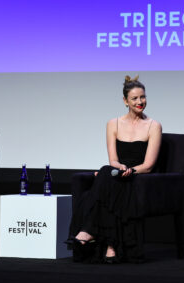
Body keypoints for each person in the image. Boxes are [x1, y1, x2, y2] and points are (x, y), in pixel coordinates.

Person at [68, 75, 162, 263]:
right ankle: (110, 246)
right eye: (134, 98)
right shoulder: (113, 123)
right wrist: (119, 168)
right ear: (125, 101)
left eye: (142, 97)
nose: (140, 102)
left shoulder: (153, 126)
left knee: (102, 181)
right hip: (117, 172)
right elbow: (113, 159)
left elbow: (149, 165)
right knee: (106, 171)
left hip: (138, 176)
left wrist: (131, 171)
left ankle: (89, 233)